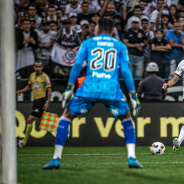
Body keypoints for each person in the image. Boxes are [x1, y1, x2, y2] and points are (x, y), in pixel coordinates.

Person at [42, 18, 142, 169]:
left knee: (66, 116)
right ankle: (132, 158)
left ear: (97, 30)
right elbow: (126, 71)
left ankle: (56, 158)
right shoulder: (120, 45)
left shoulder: (88, 43)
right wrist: (133, 95)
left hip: (89, 87)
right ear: (113, 31)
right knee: (126, 118)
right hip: (111, 88)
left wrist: (69, 87)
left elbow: (76, 65)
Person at [17, 61, 52, 147]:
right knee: (43, 121)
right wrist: (22, 91)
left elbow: (49, 89)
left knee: (30, 119)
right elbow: (29, 86)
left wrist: (47, 101)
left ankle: (24, 142)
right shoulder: (32, 75)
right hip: (36, 101)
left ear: (42, 67)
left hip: (41, 100)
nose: (38, 68)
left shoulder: (45, 77)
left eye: (39, 67)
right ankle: (63, 130)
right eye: (36, 67)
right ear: (34, 67)